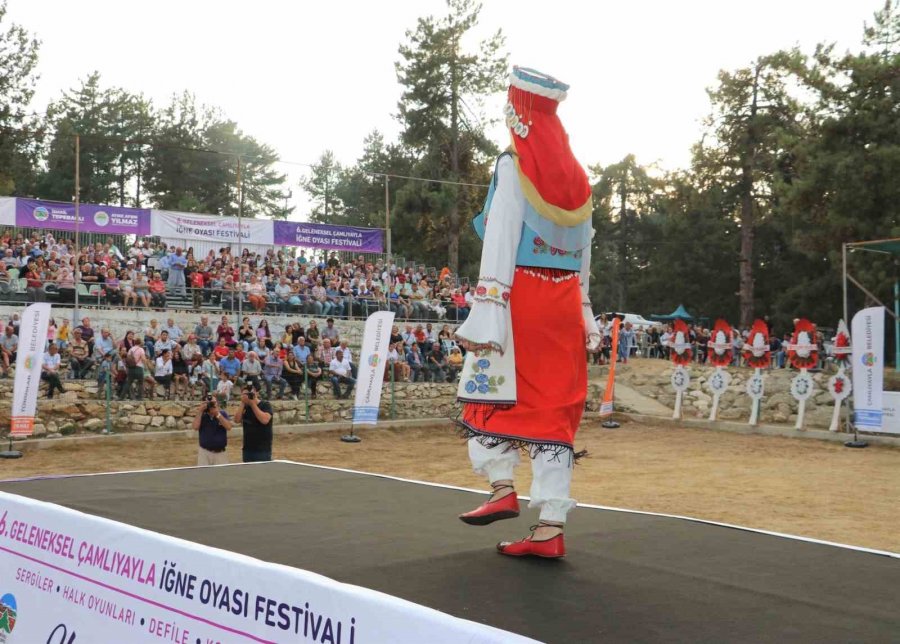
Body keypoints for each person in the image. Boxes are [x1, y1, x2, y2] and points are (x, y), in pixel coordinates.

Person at [453, 67, 600, 558]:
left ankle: (501, 486)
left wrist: (487, 307)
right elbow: (584, 255)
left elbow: (498, 240)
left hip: (521, 299)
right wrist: (585, 311)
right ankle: (550, 527)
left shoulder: (514, 165)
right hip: (563, 303)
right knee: (554, 411)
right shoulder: (579, 183)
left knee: (489, 389)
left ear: (521, 115)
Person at [236, 383, 274, 462]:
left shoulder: (265, 405)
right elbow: (237, 420)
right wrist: (243, 403)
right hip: (247, 449)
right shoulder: (245, 407)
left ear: (256, 393)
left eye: (250, 393)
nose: (248, 396)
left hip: (262, 450)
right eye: (245, 394)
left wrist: (252, 404)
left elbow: (264, 420)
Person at [192, 395, 233, 466]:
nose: (211, 405)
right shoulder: (202, 415)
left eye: (214, 402)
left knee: (222, 475)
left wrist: (217, 414)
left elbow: (228, 427)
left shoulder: (222, 414)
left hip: (220, 453)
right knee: (204, 476)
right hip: (204, 452)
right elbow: (195, 427)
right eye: (209, 403)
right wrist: (200, 411)